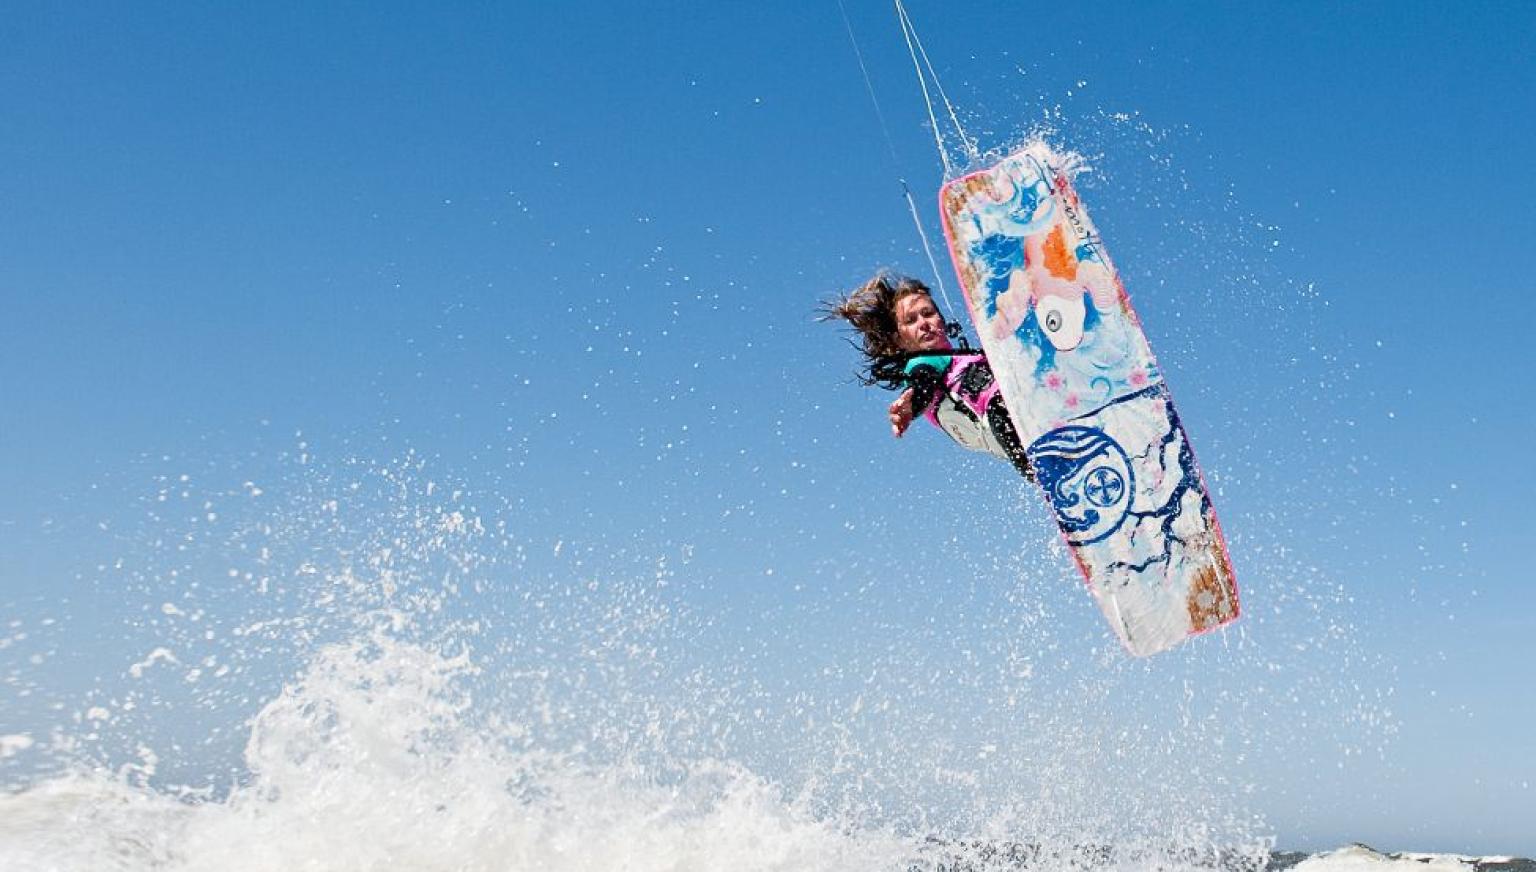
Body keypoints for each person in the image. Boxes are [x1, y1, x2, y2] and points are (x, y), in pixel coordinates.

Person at [822, 272, 1033, 481]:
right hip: (999, 420)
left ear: (941, 320)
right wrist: (912, 404)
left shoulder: (967, 357)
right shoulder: (923, 363)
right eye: (910, 320)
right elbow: (924, 382)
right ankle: (1043, 469)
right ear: (899, 340)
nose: (923, 323)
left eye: (928, 313)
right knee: (998, 403)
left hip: (1019, 415)